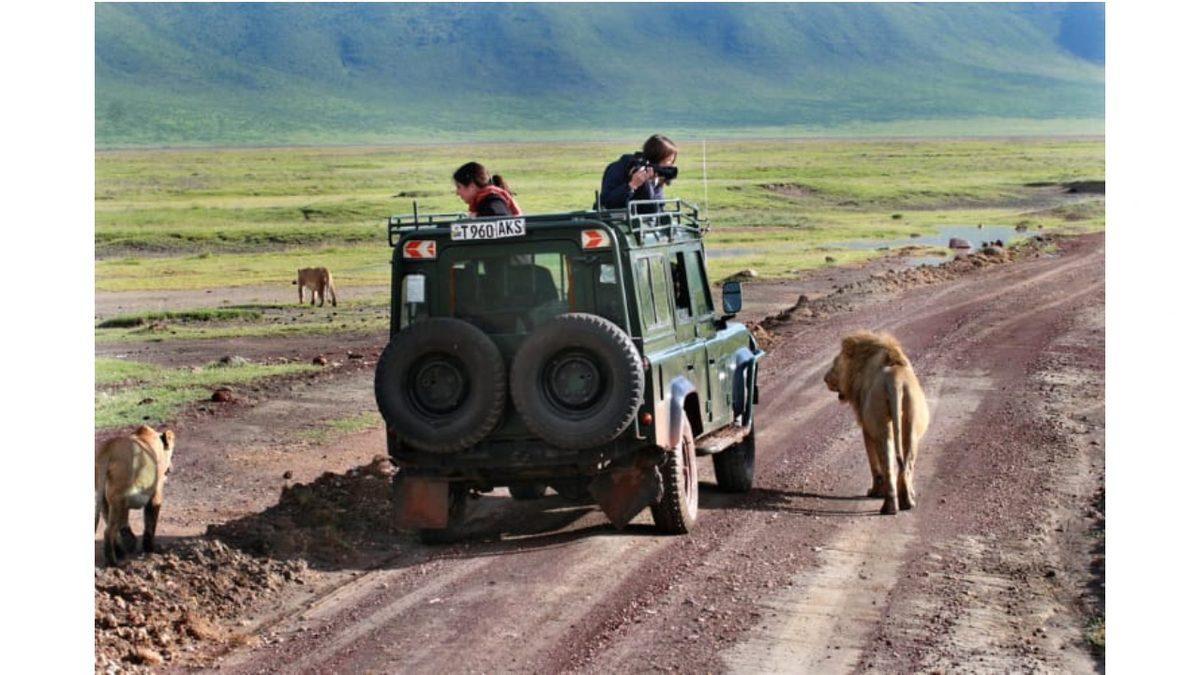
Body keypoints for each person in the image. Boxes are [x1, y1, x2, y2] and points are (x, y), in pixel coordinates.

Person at [598, 134, 678, 212]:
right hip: (617, 220)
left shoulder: (654, 175)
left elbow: (655, 207)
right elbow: (607, 203)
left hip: (643, 221)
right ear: (656, 159)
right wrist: (632, 185)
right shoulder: (619, 168)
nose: (671, 166)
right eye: (668, 161)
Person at [453, 162, 522, 217]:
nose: (457, 193)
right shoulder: (486, 198)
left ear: (472, 186)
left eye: (459, 187)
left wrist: (477, 217)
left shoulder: (491, 199)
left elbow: (499, 216)